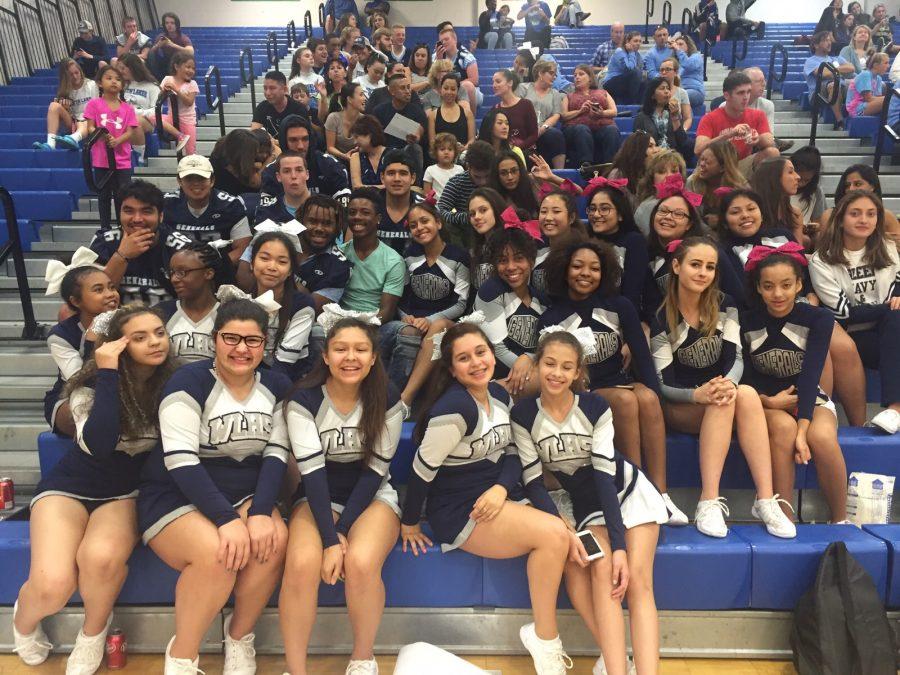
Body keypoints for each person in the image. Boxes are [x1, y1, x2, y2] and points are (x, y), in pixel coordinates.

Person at [401, 322, 575, 675]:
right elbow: (420, 472)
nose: (476, 362)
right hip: (461, 509)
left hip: (497, 495)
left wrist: (499, 489)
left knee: (570, 538)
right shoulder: (453, 411)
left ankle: (600, 647)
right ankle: (545, 638)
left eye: (481, 352)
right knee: (556, 535)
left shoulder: (499, 396)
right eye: (464, 359)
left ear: (492, 353)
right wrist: (409, 522)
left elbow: (513, 453)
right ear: (451, 369)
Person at [13, 305, 176, 673]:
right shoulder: (88, 387)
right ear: (116, 345)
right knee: (53, 584)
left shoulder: (176, 381)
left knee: (100, 558)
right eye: (139, 337)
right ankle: (22, 623)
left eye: (159, 332)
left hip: (125, 494)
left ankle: (92, 634)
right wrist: (107, 373)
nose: (154, 342)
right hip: (70, 487)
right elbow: (100, 444)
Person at [137, 299, 291, 675]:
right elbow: (180, 460)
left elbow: (276, 453)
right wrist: (227, 519)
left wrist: (258, 513)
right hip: (176, 490)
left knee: (274, 538)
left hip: (244, 489)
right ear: (214, 339)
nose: (242, 349)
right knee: (215, 553)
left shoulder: (277, 384)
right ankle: (183, 656)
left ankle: (239, 637)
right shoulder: (187, 383)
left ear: (264, 344)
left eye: (252, 341)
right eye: (232, 338)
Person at [511, 329, 669, 675]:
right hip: (587, 503)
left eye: (567, 367)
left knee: (638, 581)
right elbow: (534, 482)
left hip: (626, 491)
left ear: (578, 372)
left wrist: (620, 546)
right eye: (550, 364)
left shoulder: (596, 406)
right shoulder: (523, 414)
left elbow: (603, 476)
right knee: (604, 576)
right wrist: (560, 525)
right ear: (537, 366)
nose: (557, 373)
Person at [275, 312, 404, 675]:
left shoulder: (388, 396)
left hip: (373, 495)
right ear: (326, 356)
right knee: (301, 565)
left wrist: (342, 531)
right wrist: (330, 539)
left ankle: (362, 658)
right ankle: (296, 669)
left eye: (361, 349)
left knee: (361, 562)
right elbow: (312, 475)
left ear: (374, 357)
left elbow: (375, 472)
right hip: (317, 494)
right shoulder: (303, 398)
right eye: (341, 349)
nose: (351, 357)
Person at [650, 237, 797, 538]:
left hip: (720, 397)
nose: (703, 273)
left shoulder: (725, 305)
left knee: (743, 392)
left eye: (710, 267)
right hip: (683, 405)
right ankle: (708, 501)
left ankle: (766, 500)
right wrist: (697, 395)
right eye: (695, 264)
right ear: (676, 266)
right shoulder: (660, 319)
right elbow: (663, 384)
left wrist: (727, 383)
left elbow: (736, 358)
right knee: (727, 399)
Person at [540, 240, 687, 525]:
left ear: (604, 273)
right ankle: (633, 492)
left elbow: (642, 357)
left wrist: (656, 396)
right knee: (626, 399)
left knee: (646, 396)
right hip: (583, 391)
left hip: (618, 382)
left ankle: (661, 494)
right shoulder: (552, 316)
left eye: (595, 268)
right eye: (578, 266)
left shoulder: (620, 306)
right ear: (564, 269)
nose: (586, 273)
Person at [740, 245, 849, 522]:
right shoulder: (745, 321)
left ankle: (840, 518)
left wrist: (804, 430)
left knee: (821, 437)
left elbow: (812, 373)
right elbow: (746, 375)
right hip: (763, 401)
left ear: (799, 284)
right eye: (769, 286)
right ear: (759, 288)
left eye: (786, 285)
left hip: (808, 395)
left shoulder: (818, 318)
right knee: (784, 429)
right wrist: (767, 401)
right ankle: (783, 516)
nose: (778, 294)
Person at [810, 191, 900, 433]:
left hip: (888, 332)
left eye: (871, 214)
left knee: (896, 315)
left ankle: (895, 409)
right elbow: (844, 314)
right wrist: (886, 308)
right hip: (853, 336)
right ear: (840, 219)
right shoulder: (822, 260)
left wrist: (890, 307)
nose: (864, 220)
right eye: (855, 213)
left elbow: (897, 289)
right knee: (894, 313)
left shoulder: (887, 248)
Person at [382, 201, 470, 400]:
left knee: (438, 326)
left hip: (445, 323)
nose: (420, 228)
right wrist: (408, 318)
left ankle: (406, 398)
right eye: (413, 225)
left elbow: (461, 303)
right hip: (414, 321)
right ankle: (390, 396)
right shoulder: (409, 256)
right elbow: (401, 298)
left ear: (438, 223)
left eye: (424, 221)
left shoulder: (459, 256)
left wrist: (429, 320)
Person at [42, 251, 119, 437]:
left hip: (124, 390)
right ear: (75, 301)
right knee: (85, 413)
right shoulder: (60, 335)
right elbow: (81, 381)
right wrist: (93, 340)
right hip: (74, 395)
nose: (110, 295)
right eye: (99, 290)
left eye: (112, 287)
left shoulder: (131, 320)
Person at [91, 180, 192, 305]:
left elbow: (194, 301)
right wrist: (121, 256)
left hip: (168, 320)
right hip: (115, 319)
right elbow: (93, 298)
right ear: (120, 213)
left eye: (146, 211)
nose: (137, 219)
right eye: (129, 211)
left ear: (161, 216)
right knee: (67, 311)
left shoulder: (182, 248)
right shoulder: (104, 242)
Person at [475, 227, 546, 396]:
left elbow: (545, 346)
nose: (511, 267)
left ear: (532, 261)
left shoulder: (542, 300)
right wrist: (529, 369)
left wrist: (529, 357)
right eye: (502, 260)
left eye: (519, 259)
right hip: (496, 376)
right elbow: (497, 349)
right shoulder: (490, 292)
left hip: (527, 374)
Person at [242, 230, 317, 378]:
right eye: (264, 258)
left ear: (290, 271)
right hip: (246, 376)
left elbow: (285, 364)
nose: (272, 267)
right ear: (251, 263)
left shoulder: (303, 306)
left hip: (289, 380)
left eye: (282, 262)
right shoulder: (242, 301)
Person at [163, 154, 252, 262]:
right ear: (179, 181)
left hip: (219, 271)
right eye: (189, 178)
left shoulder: (231, 205)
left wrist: (212, 267)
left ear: (212, 180)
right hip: (175, 270)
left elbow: (243, 248)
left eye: (201, 178)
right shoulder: (165, 204)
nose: (196, 183)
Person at [84, 66, 139, 233]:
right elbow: (90, 127)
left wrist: (117, 141)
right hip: (101, 159)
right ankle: (105, 228)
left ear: (122, 84)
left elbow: (130, 131)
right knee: (104, 195)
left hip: (122, 161)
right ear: (100, 83)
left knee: (122, 196)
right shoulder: (94, 104)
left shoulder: (128, 108)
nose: (114, 81)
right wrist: (102, 135)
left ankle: (124, 228)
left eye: (117, 79)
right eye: (109, 78)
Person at [695, 70, 778, 179]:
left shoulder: (758, 115)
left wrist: (757, 138)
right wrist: (730, 134)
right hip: (716, 166)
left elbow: (769, 141)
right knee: (694, 179)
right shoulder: (710, 118)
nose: (746, 97)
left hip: (741, 165)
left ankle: (761, 193)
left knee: (772, 152)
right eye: (740, 93)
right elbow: (698, 150)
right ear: (727, 95)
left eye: (748, 92)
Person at [158, 241, 231, 363]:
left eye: (182, 272)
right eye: (171, 273)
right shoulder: (161, 313)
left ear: (208, 273)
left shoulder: (230, 315)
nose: (174, 279)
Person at [341, 188, 406, 322]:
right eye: (352, 212)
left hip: (376, 324)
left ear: (378, 218)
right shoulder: (339, 253)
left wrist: (360, 331)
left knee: (407, 333)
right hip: (341, 321)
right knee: (317, 330)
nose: (357, 217)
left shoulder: (394, 261)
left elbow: (387, 312)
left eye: (365, 212)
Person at [583, 177, 649, 308]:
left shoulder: (634, 241)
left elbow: (633, 292)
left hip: (621, 313)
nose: (596, 214)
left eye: (604, 209)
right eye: (592, 208)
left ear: (620, 214)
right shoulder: (583, 239)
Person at [117, 54, 187, 164]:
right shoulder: (121, 86)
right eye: (119, 68)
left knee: (134, 121)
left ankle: (139, 157)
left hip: (147, 121)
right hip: (122, 118)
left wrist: (134, 112)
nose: (120, 71)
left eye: (123, 68)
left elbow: (156, 111)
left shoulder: (152, 86)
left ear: (132, 67)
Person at [821, 164, 900, 246]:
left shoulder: (886, 216)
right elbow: (826, 249)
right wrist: (881, 238)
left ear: (872, 187)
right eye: (847, 185)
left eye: (858, 184)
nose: (851, 189)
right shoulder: (829, 215)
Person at [560, 64, 621, 168]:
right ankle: (586, 165)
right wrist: (580, 111)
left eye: (581, 74)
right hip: (576, 131)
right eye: (575, 75)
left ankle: (610, 166)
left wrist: (601, 113)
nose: (577, 77)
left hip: (600, 128)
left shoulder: (603, 92)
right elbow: (563, 116)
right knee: (582, 129)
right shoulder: (568, 96)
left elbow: (614, 111)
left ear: (590, 78)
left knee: (612, 130)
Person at [437, 141, 495, 247]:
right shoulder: (456, 182)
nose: (483, 182)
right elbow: (441, 211)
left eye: (487, 176)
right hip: (467, 234)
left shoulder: (498, 179)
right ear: (468, 166)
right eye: (477, 177)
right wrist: (467, 217)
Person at [33, 58, 97, 151]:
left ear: (80, 71)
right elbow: (69, 117)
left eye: (76, 72)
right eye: (71, 75)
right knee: (53, 105)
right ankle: (50, 144)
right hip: (73, 122)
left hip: (90, 120)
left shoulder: (91, 85)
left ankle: (74, 139)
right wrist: (66, 109)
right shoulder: (66, 89)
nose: (75, 77)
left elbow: (96, 107)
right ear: (65, 77)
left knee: (84, 119)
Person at [372, 73, 427, 179]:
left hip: (408, 152)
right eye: (403, 88)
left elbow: (419, 130)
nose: (408, 91)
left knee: (415, 148)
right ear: (392, 91)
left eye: (408, 87)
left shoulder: (417, 111)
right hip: (385, 152)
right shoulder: (379, 111)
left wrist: (415, 137)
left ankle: (414, 184)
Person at [686, 139, 748, 228]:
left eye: (707, 162)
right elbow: (692, 217)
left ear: (722, 167)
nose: (702, 164)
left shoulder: (740, 187)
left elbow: (744, 218)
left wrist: (723, 221)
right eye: (701, 160)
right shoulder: (692, 183)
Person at [803, 31, 856, 130]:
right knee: (833, 84)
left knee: (859, 83)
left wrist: (833, 69)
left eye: (829, 40)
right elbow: (824, 74)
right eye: (825, 40)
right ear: (816, 45)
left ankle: (858, 118)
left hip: (841, 85)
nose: (829, 42)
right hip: (818, 93)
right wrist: (839, 69)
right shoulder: (810, 61)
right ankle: (840, 121)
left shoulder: (835, 58)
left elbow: (851, 68)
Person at [520, 60, 567, 169]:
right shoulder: (523, 87)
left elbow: (556, 115)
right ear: (540, 73)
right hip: (524, 129)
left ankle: (559, 173)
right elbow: (516, 108)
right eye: (551, 73)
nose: (554, 77)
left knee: (556, 135)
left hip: (543, 130)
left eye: (555, 74)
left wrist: (542, 128)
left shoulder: (555, 93)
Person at [634, 77, 693, 161]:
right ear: (652, 95)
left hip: (672, 157)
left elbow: (682, 142)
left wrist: (675, 117)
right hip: (651, 159)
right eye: (662, 89)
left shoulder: (673, 113)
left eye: (668, 88)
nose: (666, 91)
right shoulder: (642, 117)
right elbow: (638, 146)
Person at [377, 150, 425, 254]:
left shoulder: (425, 207)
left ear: (412, 178)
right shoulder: (369, 205)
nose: (397, 179)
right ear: (382, 177)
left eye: (403, 173)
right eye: (391, 173)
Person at [749, 157, 805, 245]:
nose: (798, 177)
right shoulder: (752, 212)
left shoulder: (794, 214)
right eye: (790, 172)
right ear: (774, 177)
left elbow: (798, 252)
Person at [634, 148, 688, 232]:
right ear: (652, 178)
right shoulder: (645, 208)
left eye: (674, 171)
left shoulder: (689, 200)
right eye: (661, 172)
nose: (668, 176)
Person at [467, 187, 508, 292]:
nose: (476, 217)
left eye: (483, 210)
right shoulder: (474, 251)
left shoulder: (512, 245)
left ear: (496, 209)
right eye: (472, 214)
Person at [493, 69, 540, 157]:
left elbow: (534, 134)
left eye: (498, 82)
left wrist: (516, 149)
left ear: (510, 83)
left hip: (525, 152)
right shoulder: (495, 109)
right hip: (504, 153)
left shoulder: (526, 104)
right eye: (493, 82)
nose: (494, 85)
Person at [435, 27, 482, 111]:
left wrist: (453, 86)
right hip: (449, 91)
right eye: (441, 41)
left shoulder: (466, 56)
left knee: (467, 86)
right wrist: (439, 61)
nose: (444, 42)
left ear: (455, 40)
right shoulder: (437, 57)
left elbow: (474, 80)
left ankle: (470, 121)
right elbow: (435, 81)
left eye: (446, 39)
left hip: (470, 91)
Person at [252, 71, 310, 139]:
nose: (267, 93)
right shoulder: (261, 107)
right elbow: (254, 135)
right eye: (265, 88)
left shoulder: (298, 109)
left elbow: (302, 139)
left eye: (272, 88)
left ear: (285, 89)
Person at [209, 129, 266, 196]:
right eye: (254, 153)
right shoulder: (237, 171)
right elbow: (257, 183)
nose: (256, 154)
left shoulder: (217, 158)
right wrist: (271, 159)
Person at [427, 73, 475, 149]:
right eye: (446, 88)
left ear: (457, 91)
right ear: (440, 89)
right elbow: (432, 142)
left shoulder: (467, 114)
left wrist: (464, 148)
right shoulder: (433, 115)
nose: (449, 92)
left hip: (462, 156)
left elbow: (472, 140)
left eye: (453, 89)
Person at [489, 150, 540, 217]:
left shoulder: (531, 183)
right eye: (503, 173)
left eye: (514, 171)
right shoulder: (491, 196)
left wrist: (551, 178)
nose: (510, 177)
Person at [325, 82, 366, 162]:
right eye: (361, 95)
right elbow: (330, 147)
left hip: (356, 159)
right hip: (335, 160)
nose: (364, 98)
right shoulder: (333, 118)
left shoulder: (364, 120)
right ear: (349, 99)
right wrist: (344, 156)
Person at [148, 11, 193, 81]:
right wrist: (157, 46)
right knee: (151, 54)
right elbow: (150, 53)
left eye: (172, 23)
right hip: (165, 64)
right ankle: (158, 81)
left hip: (179, 64)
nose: (169, 25)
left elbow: (191, 52)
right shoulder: (161, 37)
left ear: (176, 25)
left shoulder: (183, 38)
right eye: (167, 23)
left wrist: (172, 45)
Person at [603, 31, 644, 105]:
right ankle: (632, 104)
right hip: (611, 82)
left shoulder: (638, 56)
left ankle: (640, 107)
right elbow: (629, 69)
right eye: (635, 41)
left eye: (640, 41)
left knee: (645, 82)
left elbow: (639, 74)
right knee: (635, 73)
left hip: (625, 82)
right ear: (627, 42)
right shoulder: (620, 51)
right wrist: (631, 52)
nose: (638, 43)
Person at [790, 145, 827, 226]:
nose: (800, 184)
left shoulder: (816, 192)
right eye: (798, 179)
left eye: (806, 180)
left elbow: (818, 222)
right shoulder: (778, 187)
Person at [349, 114, 389, 189]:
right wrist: (386, 187)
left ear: (369, 135)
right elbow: (357, 187)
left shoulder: (392, 155)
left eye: (356, 137)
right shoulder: (355, 157)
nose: (354, 142)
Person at [847, 52, 889, 117]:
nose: (888, 66)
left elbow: (877, 98)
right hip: (856, 109)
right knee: (890, 100)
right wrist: (890, 98)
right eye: (885, 63)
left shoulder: (878, 78)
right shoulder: (865, 75)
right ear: (875, 65)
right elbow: (868, 99)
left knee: (891, 101)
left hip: (867, 105)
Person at [658, 57, 694, 132]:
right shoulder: (654, 92)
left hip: (676, 131)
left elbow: (688, 118)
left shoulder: (682, 93)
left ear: (676, 72)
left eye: (668, 69)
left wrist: (682, 131)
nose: (664, 72)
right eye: (662, 70)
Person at [423, 132, 464, 199]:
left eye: (450, 149)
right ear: (435, 152)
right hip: (436, 207)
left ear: (455, 152)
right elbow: (426, 195)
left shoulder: (460, 169)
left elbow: (462, 192)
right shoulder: (430, 170)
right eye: (442, 149)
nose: (446, 152)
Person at [673, 34, 705, 110]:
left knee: (680, 96)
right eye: (676, 45)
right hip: (681, 90)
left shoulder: (696, 57)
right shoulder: (677, 61)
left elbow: (688, 65)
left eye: (681, 44)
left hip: (695, 91)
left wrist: (678, 50)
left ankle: (687, 120)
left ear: (688, 46)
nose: (678, 46)